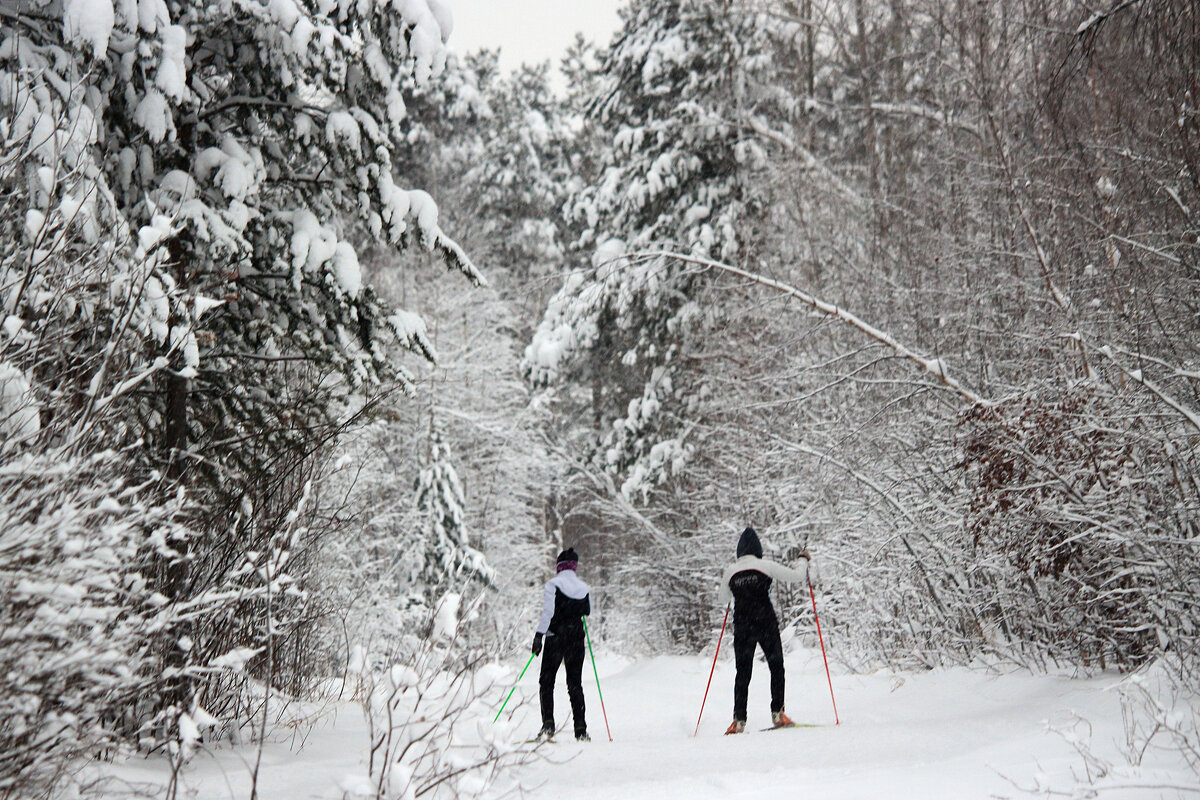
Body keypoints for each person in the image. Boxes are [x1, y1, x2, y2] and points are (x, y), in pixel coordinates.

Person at [717, 526, 811, 734]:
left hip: (742, 625)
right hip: (765, 622)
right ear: (758, 549)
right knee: (776, 666)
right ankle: (778, 714)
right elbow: (797, 576)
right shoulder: (765, 565)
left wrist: (736, 589)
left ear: (739, 551)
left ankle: (738, 721)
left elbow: (722, 599)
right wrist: (803, 559)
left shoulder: (731, 571)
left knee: (743, 672)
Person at [532, 547, 591, 741]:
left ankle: (548, 726)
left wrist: (539, 635)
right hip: (576, 638)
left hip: (555, 637)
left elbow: (548, 612)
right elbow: (587, 611)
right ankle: (580, 730)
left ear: (559, 566)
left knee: (547, 681)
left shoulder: (553, 584)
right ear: (574, 567)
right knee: (575, 684)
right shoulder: (584, 588)